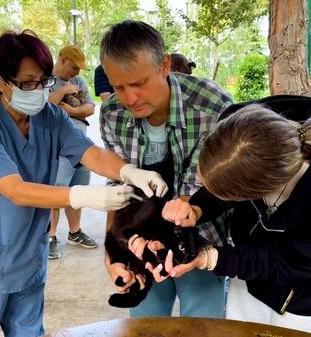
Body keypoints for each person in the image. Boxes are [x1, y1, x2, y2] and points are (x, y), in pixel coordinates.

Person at [0, 30, 167, 337]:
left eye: (43, 80)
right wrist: (82, 196)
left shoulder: (50, 117)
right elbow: (15, 189)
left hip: (27, 255)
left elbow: (90, 153)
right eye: (27, 83)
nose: (37, 90)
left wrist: (129, 171)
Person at [143, 100, 311, 336]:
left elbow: (287, 263)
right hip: (251, 271)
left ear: (260, 191)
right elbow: (227, 178)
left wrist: (208, 258)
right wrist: (196, 208)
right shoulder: (243, 131)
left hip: (308, 290)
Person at [99, 20, 233, 318]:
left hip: (200, 237)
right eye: (118, 87)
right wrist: (113, 252)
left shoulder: (214, 106)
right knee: (145, 322)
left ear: (164, 65)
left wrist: (177, 245)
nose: (129, 98)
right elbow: (118, 189)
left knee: (202, 324)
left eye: (138, 84)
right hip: (141, 239)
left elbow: (196, 191)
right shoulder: (112, 114)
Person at [47, 45, 97, 259]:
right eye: (74, 67)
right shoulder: (46, 80)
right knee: (56, 193)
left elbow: (91, 108)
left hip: (81, 144)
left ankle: (74, 232)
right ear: (63, 60)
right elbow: (45, 105)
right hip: (59, 147)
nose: (76, 73)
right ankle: (49, 236)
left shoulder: (79, 82)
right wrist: (63, 92)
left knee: (78, 192)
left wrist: (72, 111)